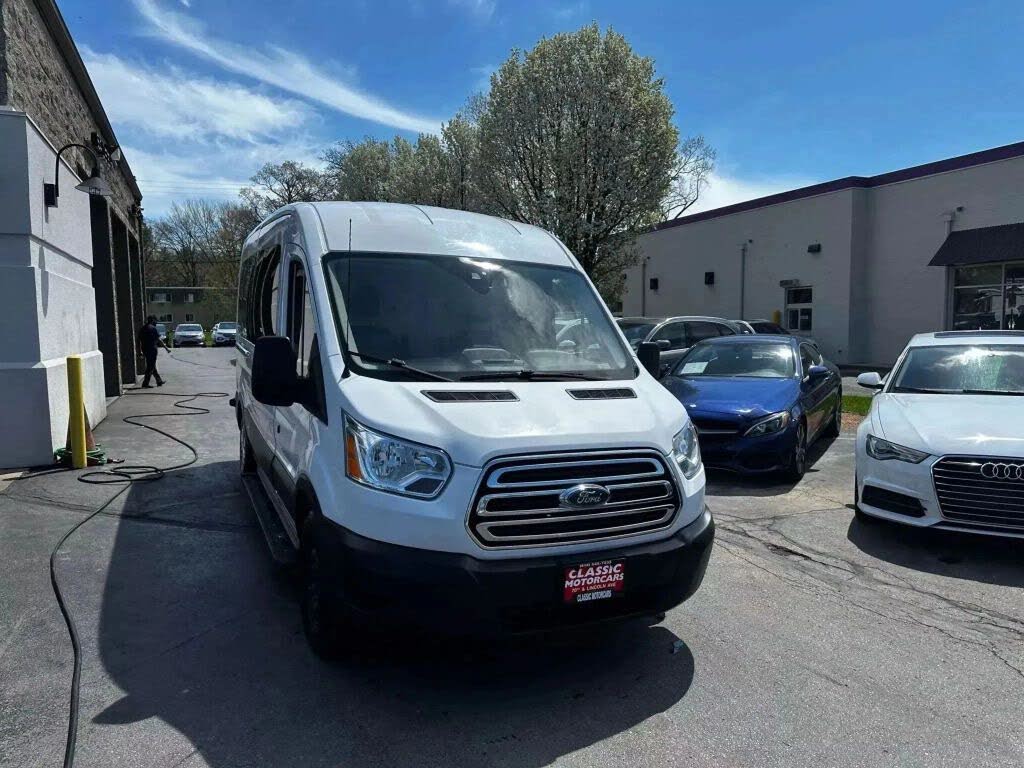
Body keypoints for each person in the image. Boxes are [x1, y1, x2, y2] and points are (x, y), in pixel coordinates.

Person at [138, 315, 168, 388]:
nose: (156, 322)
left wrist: (140, 351)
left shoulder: (142, 328)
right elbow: (158, 340)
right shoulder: (153, 328)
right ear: (152, 320)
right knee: (150, 366)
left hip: (145, 349)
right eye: (155, 320)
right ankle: (145, 383)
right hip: (152, 350)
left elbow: (138, 341)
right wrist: (166, 348)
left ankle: (159, 381)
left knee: (152, 365)